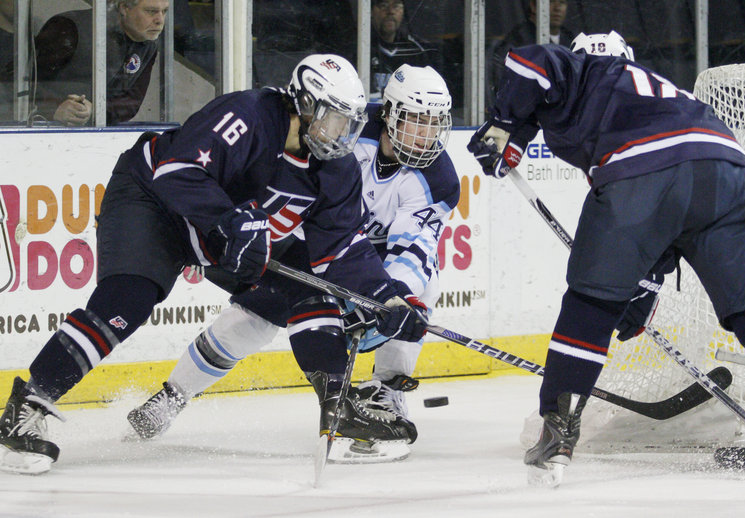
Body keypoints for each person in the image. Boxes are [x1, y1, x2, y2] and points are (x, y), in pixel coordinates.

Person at [0, 53, 428, 475]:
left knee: (312, 283)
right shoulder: (249, 115)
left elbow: (342, 248)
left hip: (230, 229)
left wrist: (386, 299)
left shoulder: (337, 170)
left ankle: (338, 406)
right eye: (333, 120)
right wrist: (233, 221)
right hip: (154, 202)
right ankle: (28, 404)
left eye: (349, 124)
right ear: (304, 104)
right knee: (127, 299)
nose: (341, 135)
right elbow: (178, 169)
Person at [468, 31, 745, 486]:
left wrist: (504, 124)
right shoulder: (661, 93)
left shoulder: (589, 71)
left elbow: (534, 62)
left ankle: (559, 430)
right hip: (731, 173)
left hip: (645, 170)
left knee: (591, 304)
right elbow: (665, 231)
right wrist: (640, 292)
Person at [126, 64, 459, 463]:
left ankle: (386, 391)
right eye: (416, 121)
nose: (426, 135)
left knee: (420, 290)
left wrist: (386, 300)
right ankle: (173, 395)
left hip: (373, 258)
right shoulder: (344, 127)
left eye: (435, 124)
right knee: (251, 318)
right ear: (388, 112)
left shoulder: (439, 178)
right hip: (313, 240)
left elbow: (415, 247)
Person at [32, 0, 169, 126]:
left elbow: (131, 102)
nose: (160, 21)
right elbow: (27, 84)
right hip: (42, 128)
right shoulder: (68, 27)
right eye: (151, 11)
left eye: (164, 12)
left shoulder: (148, 43)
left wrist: (95, 109)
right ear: (125, 8)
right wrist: (54, 108)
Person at [488, 0, 575, 104]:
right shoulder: (517, 41)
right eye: (550, 2)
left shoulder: (571, 41)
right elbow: (505, 87)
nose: (557, 8)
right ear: (534, 5)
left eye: (562, 2)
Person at [369, 0, 444, 101]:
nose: (390, 11)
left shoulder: (417, 52)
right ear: (371, 11)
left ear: (403, 11)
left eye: (396, 6)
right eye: (383, 5)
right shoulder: (359, 49)